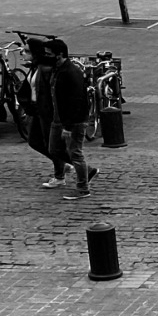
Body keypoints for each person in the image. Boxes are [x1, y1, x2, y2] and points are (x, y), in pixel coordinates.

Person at [40, 38, 98, 200]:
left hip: (73, 121)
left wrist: (68, 126)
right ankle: (88, 171)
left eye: (48, 54)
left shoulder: (71, 72)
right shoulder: (57, 69)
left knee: (75, 154)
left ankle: (83, 188)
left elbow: (77, 101)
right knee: (54, 150)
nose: (46, 56)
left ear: (59, 55)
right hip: (58, 118)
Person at [22, 37, 73, 188]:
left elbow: (49, 91)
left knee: (51, 144)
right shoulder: (35, 67)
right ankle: (63, 165)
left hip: (46, 111)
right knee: (34, 141)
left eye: (26, 51)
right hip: (36, 109)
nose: (22, 54)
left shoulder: (45, 69)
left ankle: (61, 174)